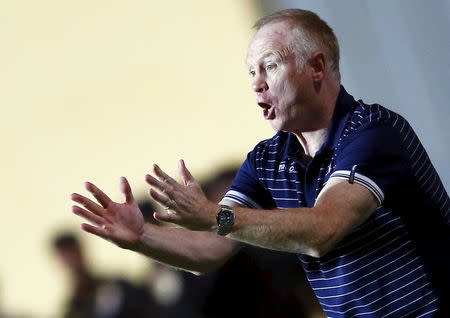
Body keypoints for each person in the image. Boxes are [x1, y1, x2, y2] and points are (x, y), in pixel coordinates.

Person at [71, 9, 450, 317]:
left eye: (269, 66)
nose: (256, 84)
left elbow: (324, 230)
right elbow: (211, 249)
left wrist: (215, 216)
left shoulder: (373, 132)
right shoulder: (267, 160)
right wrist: (142, 238)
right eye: (251, 72)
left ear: (317, 67)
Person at [51, 232, 150, 318]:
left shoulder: (117, 286)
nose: (72, 260)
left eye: (73, 253)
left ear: (81, 252)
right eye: (66, 256)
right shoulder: (71, 310)